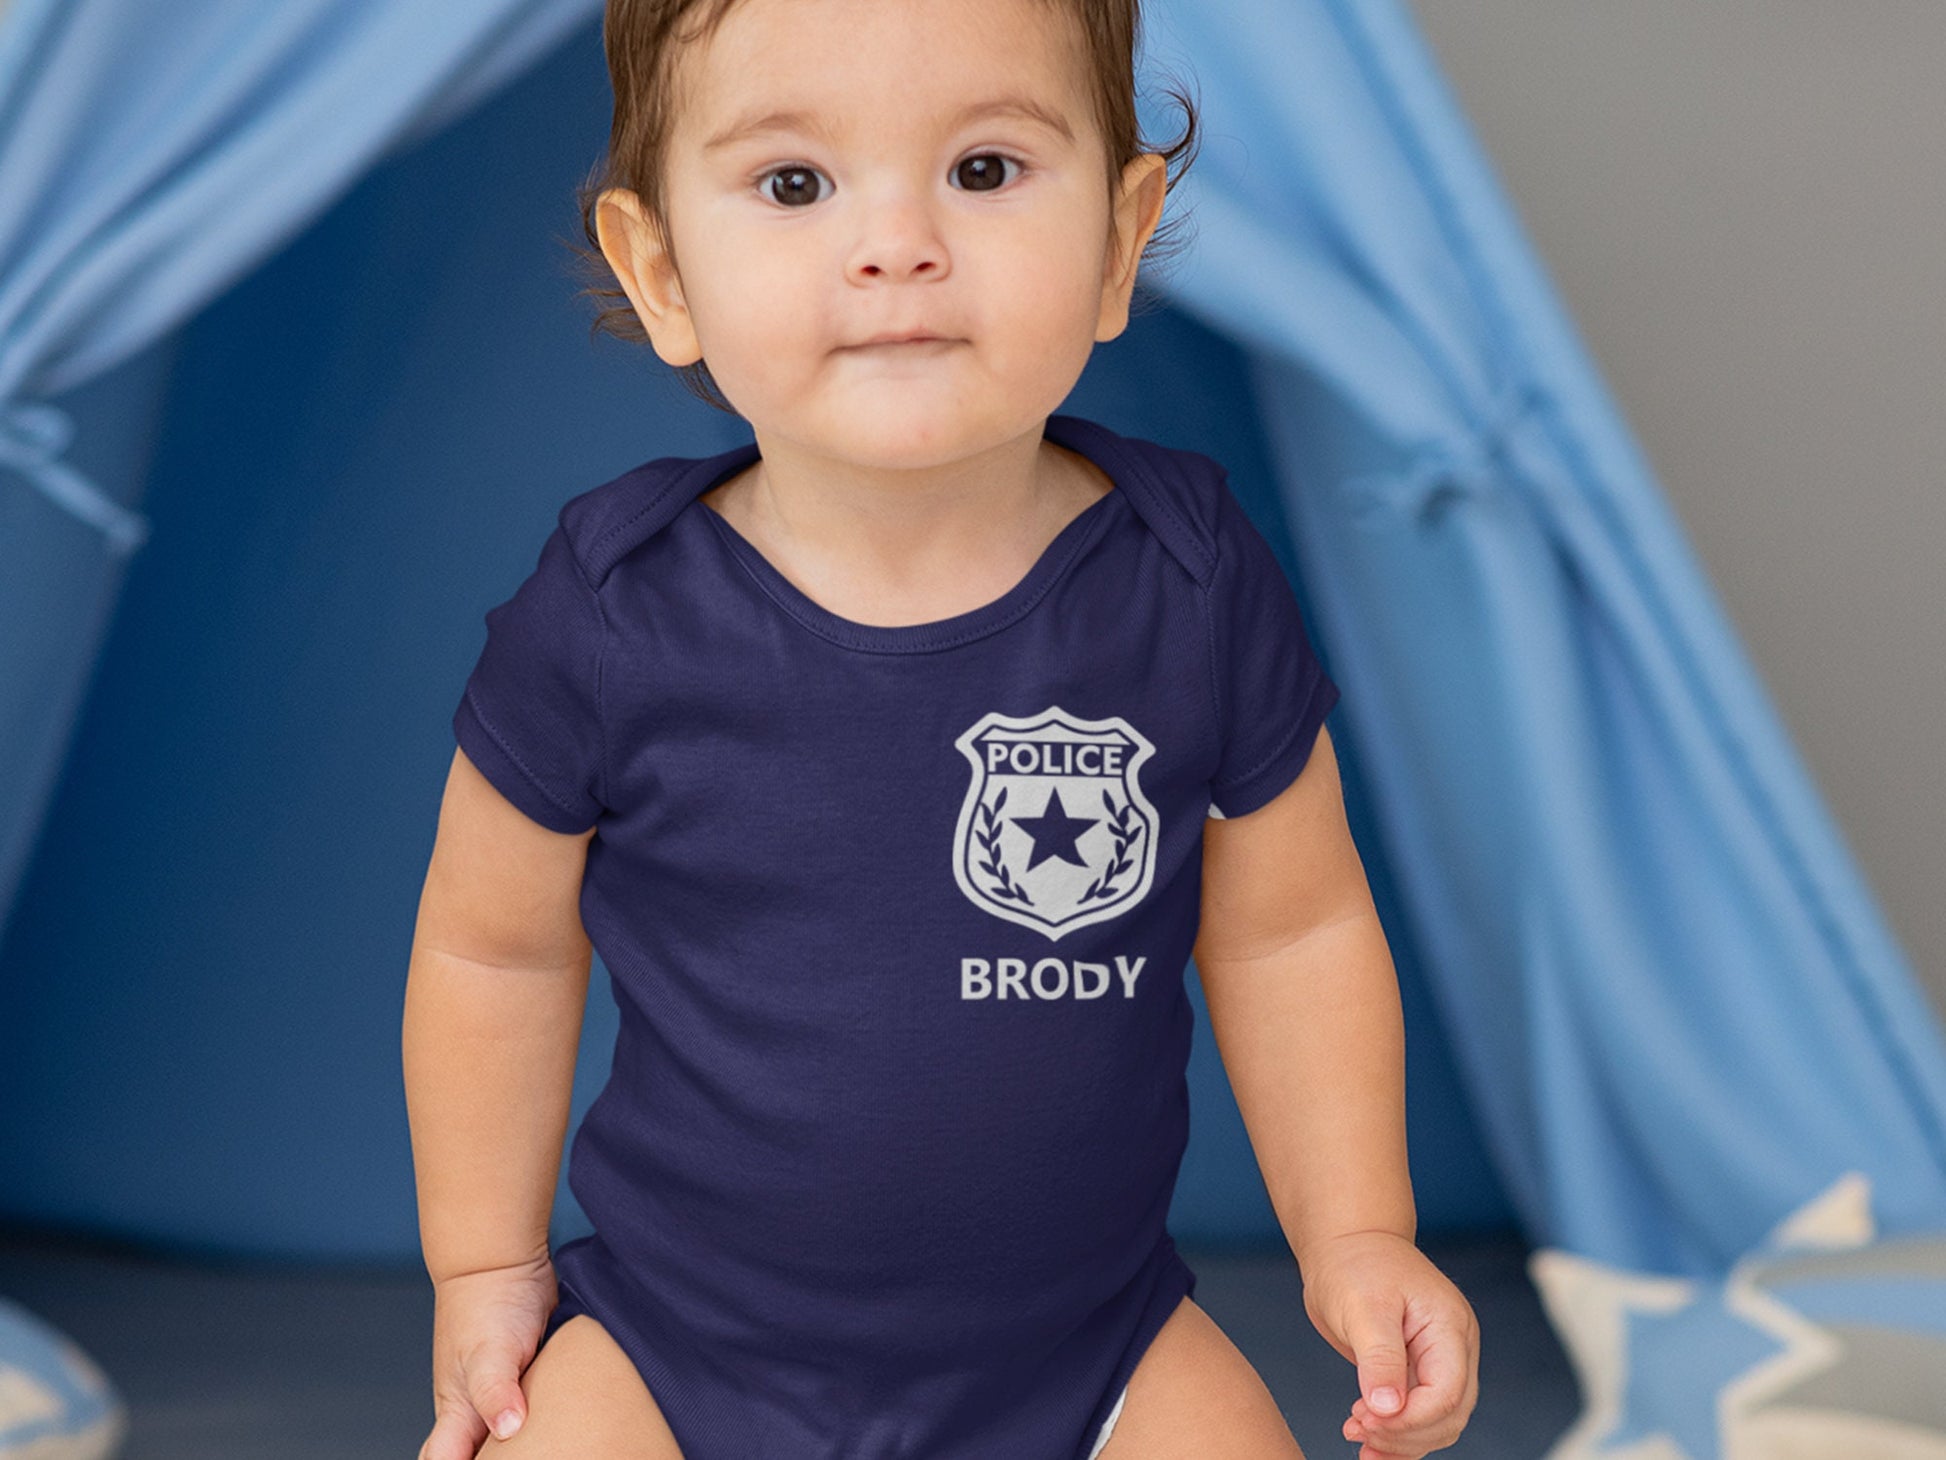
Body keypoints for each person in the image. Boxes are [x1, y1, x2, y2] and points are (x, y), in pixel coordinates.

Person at [402, 0, 1481, 1455]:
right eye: (795, 185)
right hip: (675, 1349)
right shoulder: (610, 609)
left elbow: (1290, 930)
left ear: (1118, 236)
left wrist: (1357, 1234)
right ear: (661, 274)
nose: (895, 242)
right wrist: (484, 1269)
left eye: (982, 170)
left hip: (1090, 1349)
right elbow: (494, 947)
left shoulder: (1187, 574)